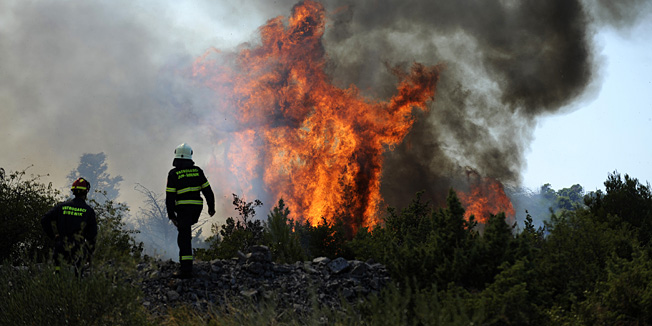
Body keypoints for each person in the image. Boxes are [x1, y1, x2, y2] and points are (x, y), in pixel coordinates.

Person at [166, 143, 216, 278]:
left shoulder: (173, 174)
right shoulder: (198, 171)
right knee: (185, 233)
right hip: (196, 209)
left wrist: (171, 215)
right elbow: (208, 191)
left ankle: (186, 270)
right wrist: (211, 207)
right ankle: (186, 264)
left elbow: (170, 197)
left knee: (184, 238)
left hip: (183, 209)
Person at [41, 177, 98, 276]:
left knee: (57, 274)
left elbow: (45, 219)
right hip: (78, 248)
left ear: (74, 192)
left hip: (61, 246)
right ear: (86, 192)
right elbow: (92, 235)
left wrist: (53, 236)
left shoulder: (62, 207)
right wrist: (90, 253)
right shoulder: (89, 211)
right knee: (78, 276)